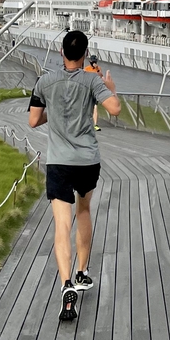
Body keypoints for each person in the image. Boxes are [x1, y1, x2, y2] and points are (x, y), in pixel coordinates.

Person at [29, 29, 121, 322]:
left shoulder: (44, 81)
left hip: (58, 162)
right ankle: (82, 272)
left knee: (61, 224)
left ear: (61, 52)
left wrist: (54, 112)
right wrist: (111, 88)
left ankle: (66, 283)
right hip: (86, 160)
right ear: (85, 54)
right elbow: (115, 109)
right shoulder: (93, 80)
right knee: (83, 211)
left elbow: (33, 120)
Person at [85, 53, 104, 131]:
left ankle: (95, 124)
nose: (94, 63)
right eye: (93, 62)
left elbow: (101, 76)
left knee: (95, 106)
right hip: (88, 89)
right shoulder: (87, 69)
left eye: (95, 62)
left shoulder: (98, 68)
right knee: (86, 106)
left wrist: (97, 69)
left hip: (95, 89)